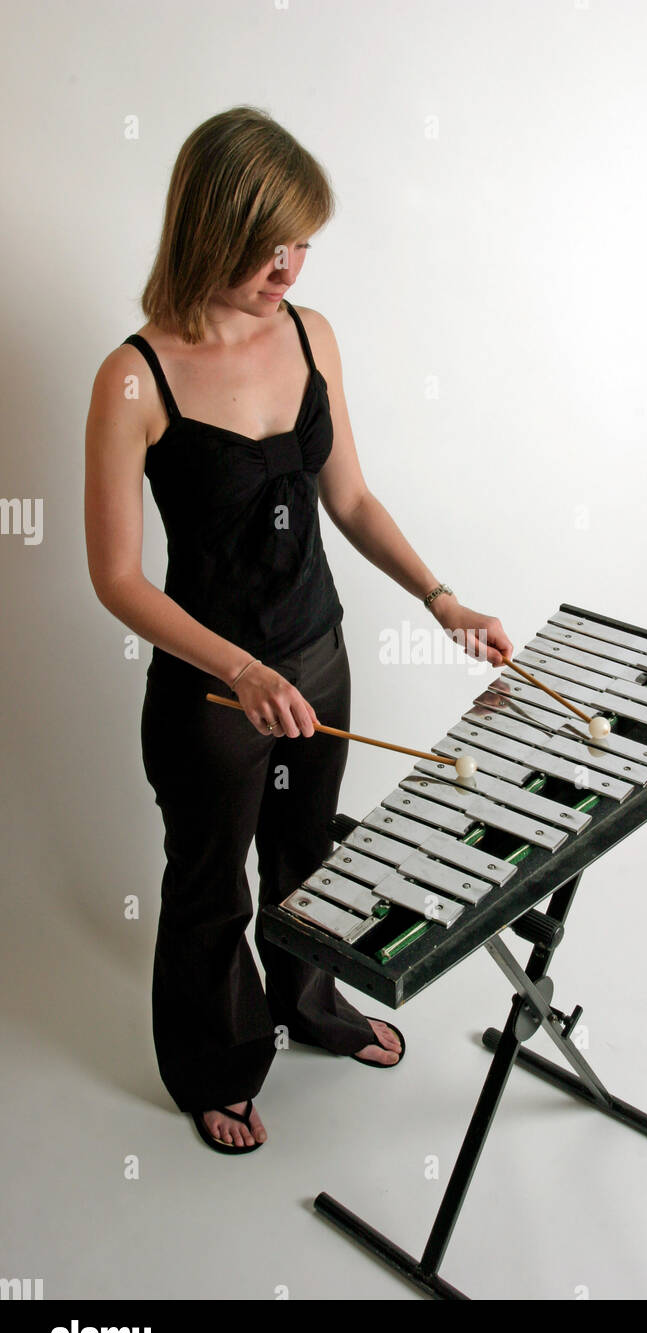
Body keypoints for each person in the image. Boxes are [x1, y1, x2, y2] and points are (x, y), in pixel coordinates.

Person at [84, 106, 513, 1155]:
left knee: (307, 860)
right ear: (209, 230)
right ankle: (215, 1065)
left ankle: (308, 1006)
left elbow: (350, 498)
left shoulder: (313, 334)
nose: (287, 269)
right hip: (211, 691)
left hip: (319, 654)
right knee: (209, 887)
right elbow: (116, 578)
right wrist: (239, 668)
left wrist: (441, 598)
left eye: (301, 245)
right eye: (266, 247)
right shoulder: (134, 376)